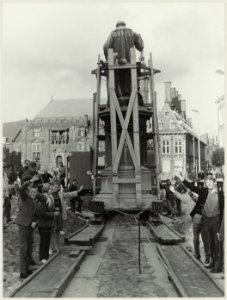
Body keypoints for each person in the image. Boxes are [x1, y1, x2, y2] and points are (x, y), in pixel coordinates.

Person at [175, 172, 224, 269]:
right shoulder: (204, 191)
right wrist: (183, 180)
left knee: (218, 242)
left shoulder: (220, 193)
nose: (209, 183)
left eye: (210, 181)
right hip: (206, 220)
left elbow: (222, 209)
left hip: (216, 220)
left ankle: (219, 265)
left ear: (214, 182)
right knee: (211, 243)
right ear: (205, 183)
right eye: (207, 181)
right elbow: (192, 188)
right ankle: (213, 262)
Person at [170, 184, 210, 264]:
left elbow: (181, 197)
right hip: (195, 217)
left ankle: (198, 252)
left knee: (191, 234)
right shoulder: (191, 194)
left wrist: (174, 191)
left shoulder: (187, 196)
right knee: (196, 236)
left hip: (194, 217)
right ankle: (200, 253)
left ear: (182, 191)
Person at [103, 21, 144, 101]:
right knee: (130, 83)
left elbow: (106, 47)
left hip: (116, 65)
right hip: (130, 64)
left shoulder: (113, 34)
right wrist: (140, 38)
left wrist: (108, 58)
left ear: (117, 26)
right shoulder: (131, 33)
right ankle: (130, 97)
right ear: (125, 25)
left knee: (117, 82)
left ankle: (120, 98)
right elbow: (141, 47)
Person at [15, 174, 40, 280]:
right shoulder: (24, 198)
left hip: (29, 225)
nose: (33, 194)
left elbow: (34, 214)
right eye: (32, 192)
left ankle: (28, 268)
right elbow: (22, 189)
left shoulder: (33, 199)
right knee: (24, 249)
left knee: (29, 247)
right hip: (23, 225)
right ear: (28, 192)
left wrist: (35, 222)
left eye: (35, 192)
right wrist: (30, 181)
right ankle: (23, 272)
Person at [50, 180, 81, 251]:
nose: (57, 188)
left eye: (58, 187)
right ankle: (51, 247)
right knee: (52, 231)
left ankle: (57, 246)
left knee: (57, 231)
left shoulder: (60, 194)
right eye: (55, 187)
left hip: (59, 215)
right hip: (52, 215)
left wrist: (78, 191)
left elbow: (68, 194)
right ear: (52, 187)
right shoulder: (49, 194)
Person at [36, 183, 57, 263]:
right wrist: (53, 214)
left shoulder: (49, 198)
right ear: (47, 190)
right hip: (43, 224)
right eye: (50, 189)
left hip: (48, 223)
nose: (51, 190)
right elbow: (42, 213)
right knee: (43, 241)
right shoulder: (42, 200)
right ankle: (42, 257)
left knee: (47, 240)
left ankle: (46, 256)